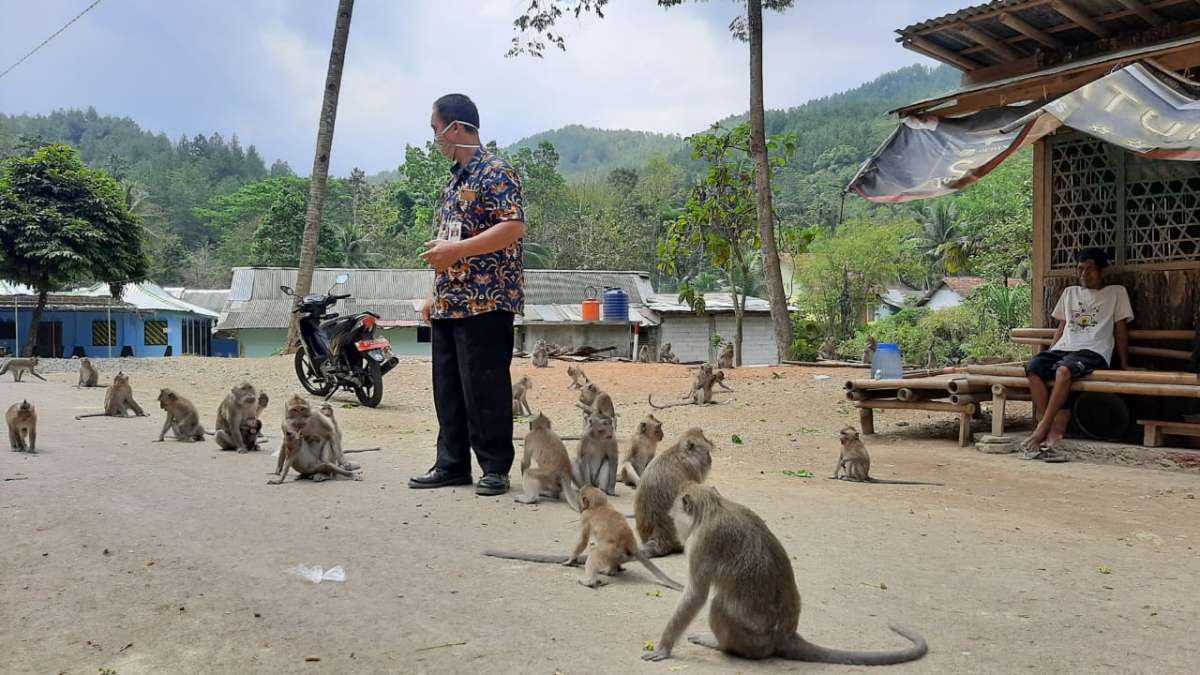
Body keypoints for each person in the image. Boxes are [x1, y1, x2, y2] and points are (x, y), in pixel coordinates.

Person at [408, 94, 525, 496]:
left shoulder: (496, 171)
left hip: (487, 299)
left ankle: (494, 467)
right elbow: (446, 244)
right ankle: (452, 464)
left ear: (455, 127)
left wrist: (456, 251)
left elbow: (512, 226)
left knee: (485, 384)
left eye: (435, 129)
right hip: (448, 301)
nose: (435, 139)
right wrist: (431, 293)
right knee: (449, 386)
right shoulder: (453, 182)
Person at [1021, 248, 1133, 460]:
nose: (1084, 274)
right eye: (1080, 269)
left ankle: (1042, 429)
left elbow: (1120, 330)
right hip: (1064, 348)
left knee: (1063, 372)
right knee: (1033, 367)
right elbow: (1061, 328)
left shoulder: (1116, 293)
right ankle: (1049, 425)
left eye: (1090, 269)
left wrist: (1125, 364)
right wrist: (1052, 351)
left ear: (1102, 272)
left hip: (1093, 351)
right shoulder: (1070, 293)